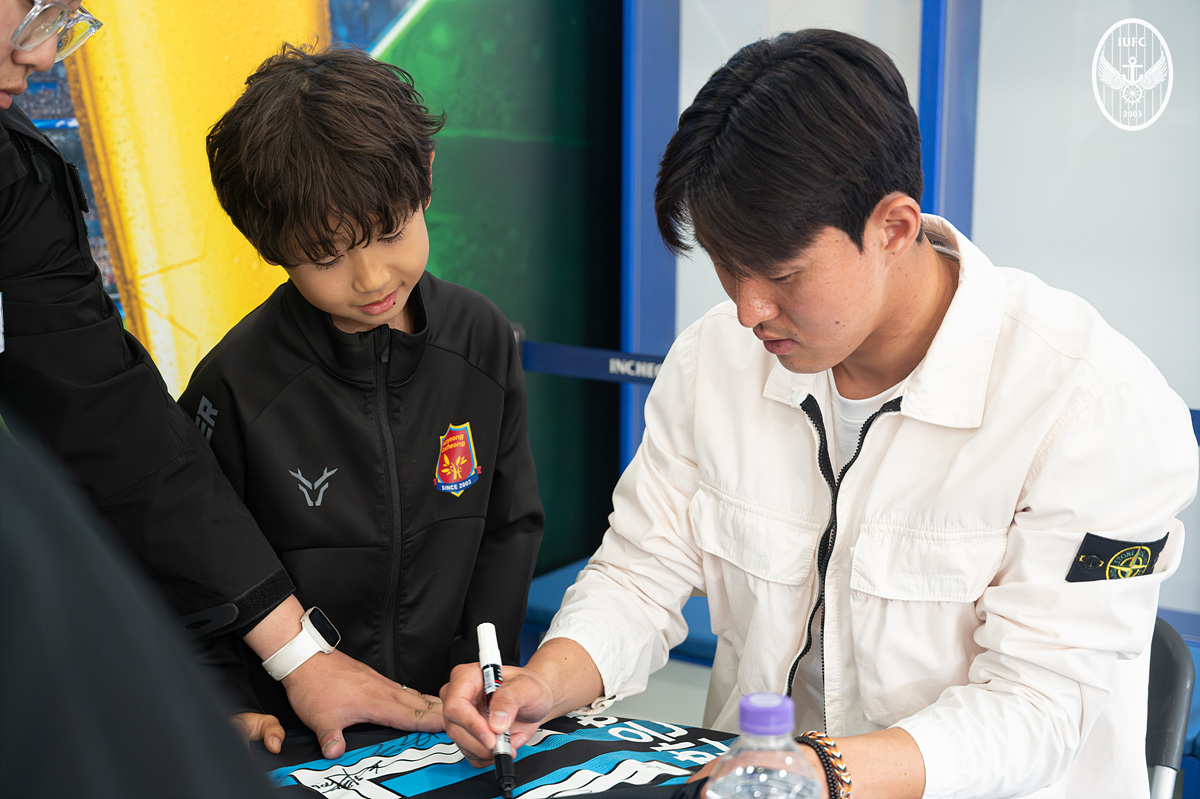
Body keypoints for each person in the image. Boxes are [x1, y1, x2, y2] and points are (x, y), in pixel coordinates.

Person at [441, 28, 1198, 799]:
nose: (748, 310)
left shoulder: (1094, 408)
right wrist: (547, 679)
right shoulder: (713, 361)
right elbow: (641, 571)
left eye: (781, 274)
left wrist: (822, 770)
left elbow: (1037, 706)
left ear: (893, 229)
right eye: (727, 267)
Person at [0, 0, 439, 760]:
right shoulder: (237, 380)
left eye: (61, 14)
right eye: (28, 6)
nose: (39, 54)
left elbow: (102, 415)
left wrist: (301, 656)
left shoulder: (14, 177)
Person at [179, 42, 544, 755]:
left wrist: (483, 668)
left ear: (426, 177)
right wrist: (223, 701)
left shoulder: (481, 338)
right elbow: (192, 558)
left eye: (390, 231)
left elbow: (510, 525)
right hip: (298, 731)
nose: (372, 277)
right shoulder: (235, 382)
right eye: (326, 256)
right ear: (267, 244)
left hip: (448, 718)